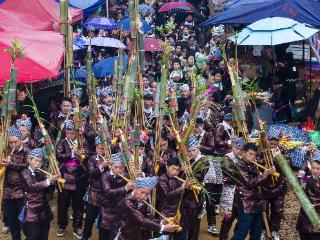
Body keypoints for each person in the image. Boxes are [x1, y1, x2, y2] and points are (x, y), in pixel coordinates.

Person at [111, 176, 179, 240]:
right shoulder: (127, 203)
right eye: (142, 192)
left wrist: (162, 222)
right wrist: (163, 228)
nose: (144, 196)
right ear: (134, 188)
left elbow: (146, 219)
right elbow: (142, 220)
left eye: (147, 194)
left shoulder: (141, 201)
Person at [231, 143, 276, 240]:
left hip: (257, 202)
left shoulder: (253, 165)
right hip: (246, 203)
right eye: (250, 154)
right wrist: (265, 174)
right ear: (243, 152)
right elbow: (249, 183)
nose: (253, 157)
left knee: (257, 233)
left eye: (254, 155)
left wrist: (270, 174)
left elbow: (261, 182)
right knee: (242, 232)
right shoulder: (238, 165)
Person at [56, 120, 87, 239]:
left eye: (72, 133)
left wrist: (84, 153)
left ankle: (77, 227)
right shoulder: (62, 142)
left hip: (79, 179)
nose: (69, 135)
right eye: (68, 133)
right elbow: (59, 156)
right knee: (62, 204)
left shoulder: (83, 141)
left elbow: (89, 155)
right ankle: (61, 226)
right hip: (64, 179)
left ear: (77, 133)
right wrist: (73, 153)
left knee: (78, 205)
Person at [20, 148, 59, 240]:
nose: (38, 163)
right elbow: (32, 186)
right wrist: (48, 181)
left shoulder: (41, 173)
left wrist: (53, 182)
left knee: (44, 235)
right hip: (32, 212)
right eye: (36, 160)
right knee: (33, 236)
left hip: (44, 210)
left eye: (40, 161)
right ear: (29, 160)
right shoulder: (24, 173)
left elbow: (47, 191)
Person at [2, 126, 29, 240]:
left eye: (15, 142)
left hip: (22, 192)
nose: (12, 145)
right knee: (12, 221)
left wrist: (11, 164)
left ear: (21, 140)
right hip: (7, 192)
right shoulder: (5, 150)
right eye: (10, 142)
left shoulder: (27, 151)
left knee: (25, 221)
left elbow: (27, 167)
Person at [99, 152, 133, 240]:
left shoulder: (127, 175)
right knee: (104, 236)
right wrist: (125, 188)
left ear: (124, 167)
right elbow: (108, 192)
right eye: (116, 167)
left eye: (121, 167)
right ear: (111, 166)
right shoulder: (105, 176)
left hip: (120, 212)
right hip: (107, 212)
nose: (118, 170)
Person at [82, 136, 109, 240]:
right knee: (89, 218)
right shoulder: (92, 159)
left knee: (104, 221)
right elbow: (91, 173)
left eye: (102, 148)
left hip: (106, 195)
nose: (100, 150)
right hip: (93, 194)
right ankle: (85, 237)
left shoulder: (110, 159)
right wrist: (102, 165)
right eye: (98, 147)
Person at [157, 157, 189, 240]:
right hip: (166, 214)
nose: (175, 172)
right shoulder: (161, 179)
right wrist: (182, 188)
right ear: (167, 167)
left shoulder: (179, 178)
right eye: (173, 169)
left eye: (177, 170)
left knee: (181, 236)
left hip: (179, 213)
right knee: (165, 236)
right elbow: (167, 195)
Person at [184, 135, 209, 240]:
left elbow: (200, 177)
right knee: (187, 223)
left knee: (194, 223)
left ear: (198, 148)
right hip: (185, 196)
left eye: (194, 150)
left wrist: (189, 173)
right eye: (189, 151)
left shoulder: (203, 161)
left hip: (196, 197)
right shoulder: (187, 160)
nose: (192, 153)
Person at [219, 138, 245, 240]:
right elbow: (232, 174)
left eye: (241, 149)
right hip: (228, 193)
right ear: (233, 147)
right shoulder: (226, 158)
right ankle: (223, 238)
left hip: (240, 194)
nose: (239, 151)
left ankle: (236, 236)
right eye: (237, 148)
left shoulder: (242, 159)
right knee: (227, 219)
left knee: (242, 218)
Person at [296, 152, 320, 240]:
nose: (315, 170)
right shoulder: (307, 179)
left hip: (316, 214)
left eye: (318, 169)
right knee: (304, 234)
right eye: (313, 168)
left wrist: (315, 205)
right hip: (305, 213)